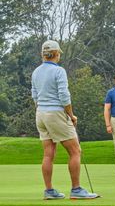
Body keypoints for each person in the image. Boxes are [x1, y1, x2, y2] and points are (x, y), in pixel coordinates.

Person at [31, 40, 98, 200]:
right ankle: (76, 190)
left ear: (43, 54)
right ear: (56, 54)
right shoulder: (59, 71)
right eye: (59, 52)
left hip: (40, 113)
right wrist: (71, 115)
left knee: (48, 154)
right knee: (75, 151)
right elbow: (64, 96)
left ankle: (49, 191)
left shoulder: (36, 71)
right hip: (56, 113)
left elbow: (34, 95)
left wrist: (43, 109)